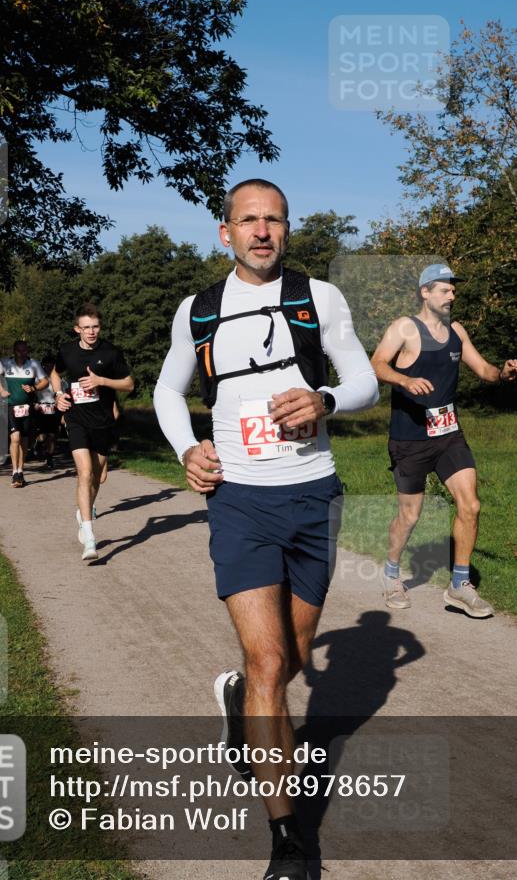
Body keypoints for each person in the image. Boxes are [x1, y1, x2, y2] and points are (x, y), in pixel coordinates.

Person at [153, 179, 378, 880]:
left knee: (296, 657)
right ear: (225, 233)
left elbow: (366, 379)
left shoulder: (319, 298)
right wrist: (185, 447)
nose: (261, 231)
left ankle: (235, 698)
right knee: (270, 666)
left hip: (313, 496)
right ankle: (287, 841)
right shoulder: (202, 311)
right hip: (240, 501)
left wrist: (326, 399)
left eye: (273, 220)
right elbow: (167, 388)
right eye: (248, 221)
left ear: (287, 228)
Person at [370, 263, 517, 618]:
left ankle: (459, 585)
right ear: (425, 292)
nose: (452, 295)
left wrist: (503, 373)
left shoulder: (457, 331)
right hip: (410, 437)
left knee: (470, 505)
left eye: (453, 290)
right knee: (411, 515)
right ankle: (392, 574)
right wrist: (404, 381)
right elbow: (376, 363)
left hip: (449, 433)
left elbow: (484, 371)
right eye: (445, 289)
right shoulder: (404, 328)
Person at [48, 304, 134, 561]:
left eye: (95, 326)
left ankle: (84, 510)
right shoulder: (67, 351)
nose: (91, 331)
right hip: (75, 419)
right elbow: (55, 374)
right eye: (86, 327)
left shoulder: (110, 353)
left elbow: (129, 384)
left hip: (103, 422)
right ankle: (89, 536)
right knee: (84, 473)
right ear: (77, 329)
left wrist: (102, 381)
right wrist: (58, 395)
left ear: (100, 327)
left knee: (97, 477)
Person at [0, 341, 48, 487]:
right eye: (18, 351)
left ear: (27, 351)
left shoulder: (34, 364)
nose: (22, 353)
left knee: (23, 440)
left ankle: (20, 471)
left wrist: (34, 388)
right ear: (14, 351)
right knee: (15, 437)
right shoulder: (5, 362)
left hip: (27, 408)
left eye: (24, 351)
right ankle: (14, 472)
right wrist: (1, 390)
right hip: (10, 406)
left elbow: (45, 382)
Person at [32, 355, 60, 471]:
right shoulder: (38, 379)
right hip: (41, 407)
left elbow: (62, 393)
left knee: (52, 435)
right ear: (43, 365)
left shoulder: (58, 379)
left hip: (53, 408)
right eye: (47, 364)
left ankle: (50, 458)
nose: (49, 367)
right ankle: (38, 444)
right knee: (43, 436)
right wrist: (34, 404)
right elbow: (32, 392)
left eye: (52, 364)